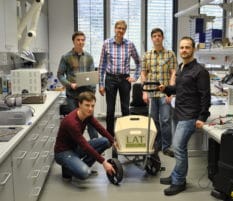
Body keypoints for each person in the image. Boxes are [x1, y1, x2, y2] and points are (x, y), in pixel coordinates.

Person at [158, 36, 211, 196]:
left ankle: (179, 181)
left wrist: (202, 117)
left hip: (190, 115)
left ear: (193, 49)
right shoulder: (181, 67)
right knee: (179, 148)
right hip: (178, 112)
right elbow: (179, 89)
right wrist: (166, 89)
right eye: (181, 47)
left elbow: (205, 96)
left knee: (179, 148)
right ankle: (177, 175)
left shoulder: (200, 71)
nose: (184, 50)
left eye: (187, 47)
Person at [98, 20, 141, 158]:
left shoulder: (130, 45)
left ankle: (125, 134)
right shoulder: (106, 43)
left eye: (123, 28)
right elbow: (102, 65)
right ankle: (110, 138)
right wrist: (101, 83)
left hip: (124, 79)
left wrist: (134, 77)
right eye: (118, 28)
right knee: (110, 110)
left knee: (125, 109)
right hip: (110, 79)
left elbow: (139, 63)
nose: (120, 30)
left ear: (125, 30)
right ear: (115, 29)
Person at [54, 91, 117, 182]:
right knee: (84, 173)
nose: (90, 109)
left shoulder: (87, 115)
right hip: (63, 152)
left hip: (76, 147)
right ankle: (68, 168)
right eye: (87, 105)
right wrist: (104, 162)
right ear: (80, 104)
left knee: (106, 141)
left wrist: (113, 141)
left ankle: (79, 165)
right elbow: (85, 145)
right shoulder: (72, 122)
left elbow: (100, 128)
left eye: (92, 106)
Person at [141, 28, 177, 157]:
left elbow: (173, 73)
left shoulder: (170, 54)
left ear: (162, 38)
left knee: (166, 120)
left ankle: (166, 147)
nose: (157, 38)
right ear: (152, 38)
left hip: (164, 93)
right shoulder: (147, 55)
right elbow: (143, 74)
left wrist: (170, 92)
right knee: (154, 121)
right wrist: (145, 92)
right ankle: (157, 145)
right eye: (154, 36)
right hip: (151, 93)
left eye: (159, 36)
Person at [57, 31, 98, 139]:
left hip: (86, 96)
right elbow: (60, 75)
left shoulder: (89, 57)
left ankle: (98, 146)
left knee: (90, 122)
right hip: (72, 96)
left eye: (82, 40)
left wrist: (92, 93)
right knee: (74, 124)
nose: (80, 42)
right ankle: (75, 146)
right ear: (73, 41)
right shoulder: (66, 57)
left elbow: (93, 76)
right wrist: (70, 84)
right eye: (78, 40)